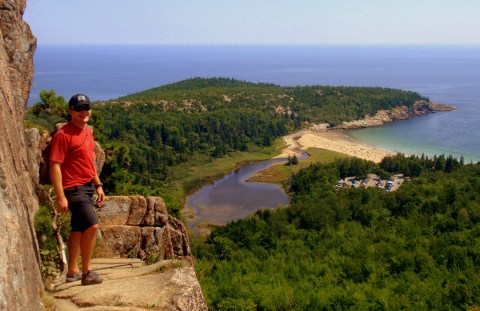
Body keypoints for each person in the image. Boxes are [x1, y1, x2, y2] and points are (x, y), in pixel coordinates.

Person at [50, 94, 105, 286]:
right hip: (74, 188)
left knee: (79, 228)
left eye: (86, 107)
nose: (84, 112)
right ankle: (87, 272)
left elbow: (89, 161)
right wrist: (60, 196)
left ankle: (72, 270)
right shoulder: (63, 135)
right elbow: (55, 166)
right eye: (79, 108)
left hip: (87, 186)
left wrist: (98, 184)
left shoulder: (88, 132)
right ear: (70, 111)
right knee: (92, 225)